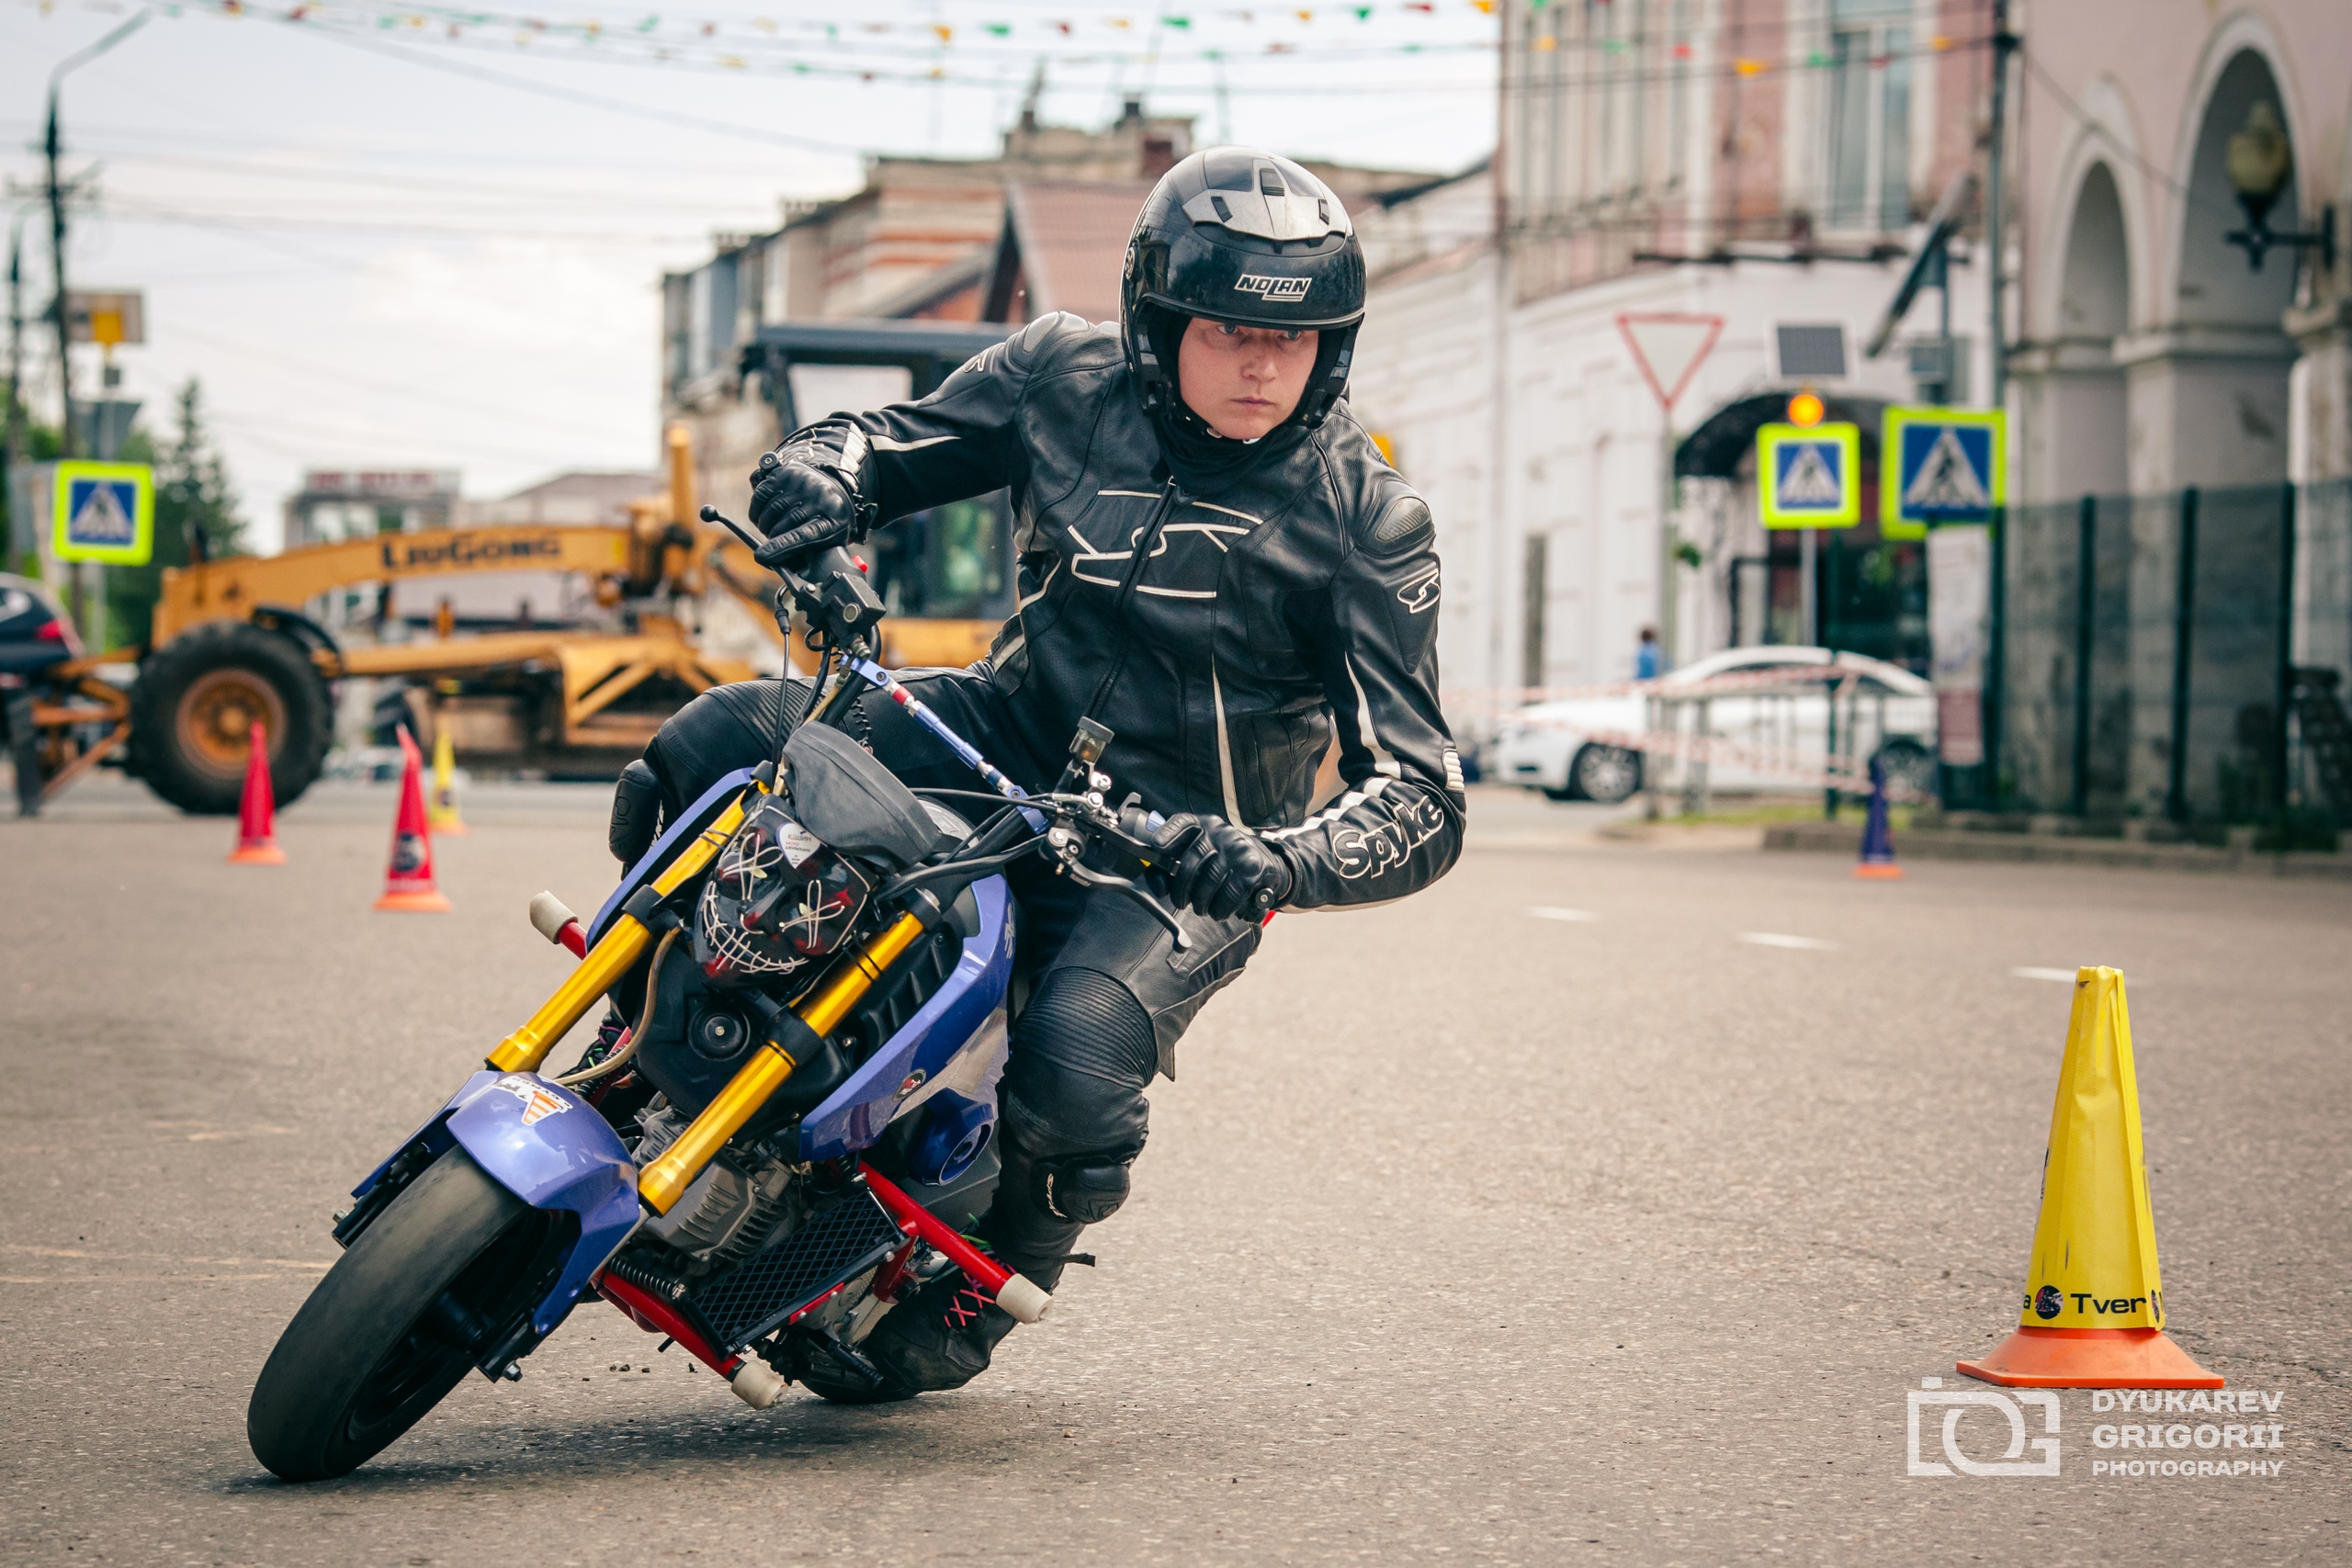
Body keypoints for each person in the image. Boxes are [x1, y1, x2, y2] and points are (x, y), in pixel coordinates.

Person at [605, 148, 1464, 1401]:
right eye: (1227, 331)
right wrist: (821, 476)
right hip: (998, 733)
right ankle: (644, 1030)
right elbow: (879, 445)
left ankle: (996, 1267)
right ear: (1158, 319)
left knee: (1073, 1055)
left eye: (1298, 339)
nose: (1263, 366)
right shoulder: (1059, 374)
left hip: (1188, 845)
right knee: (709, 747)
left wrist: (1275, 858)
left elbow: (1425, 797)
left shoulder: (1368, 519)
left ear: (1335, 345)